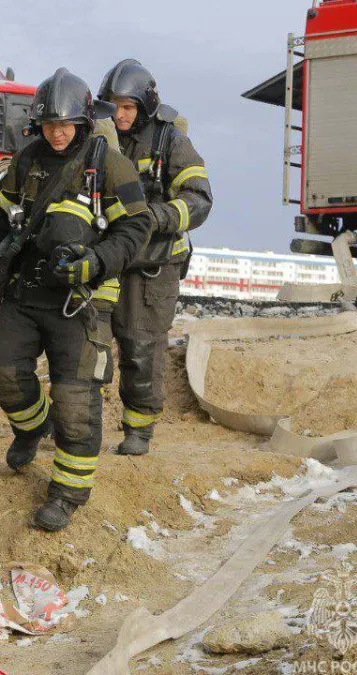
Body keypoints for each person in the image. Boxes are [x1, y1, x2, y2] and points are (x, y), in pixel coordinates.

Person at [0, 68, 153, 532]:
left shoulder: (109, 164)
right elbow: (0, 219)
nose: (57, 133)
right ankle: (32, 427)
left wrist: (96, 261)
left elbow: (136, 227)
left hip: (82, 302)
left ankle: (67, 494)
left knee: (76, 401)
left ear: (84, 121)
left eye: (66, 124)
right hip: (27, 292)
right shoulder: (27, 159)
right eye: (50, 124)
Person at [97, 59, 213, 456]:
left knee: (141, 348)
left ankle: (139, 431)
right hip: (105, 261)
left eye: (128, 106)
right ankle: (80, 425)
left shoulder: (169, 141)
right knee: (86, 348)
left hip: (152, 265)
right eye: (113, 105)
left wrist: (156, 217)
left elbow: (199, 199)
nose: (120, 114)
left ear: (144, 106)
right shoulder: (97, 137)